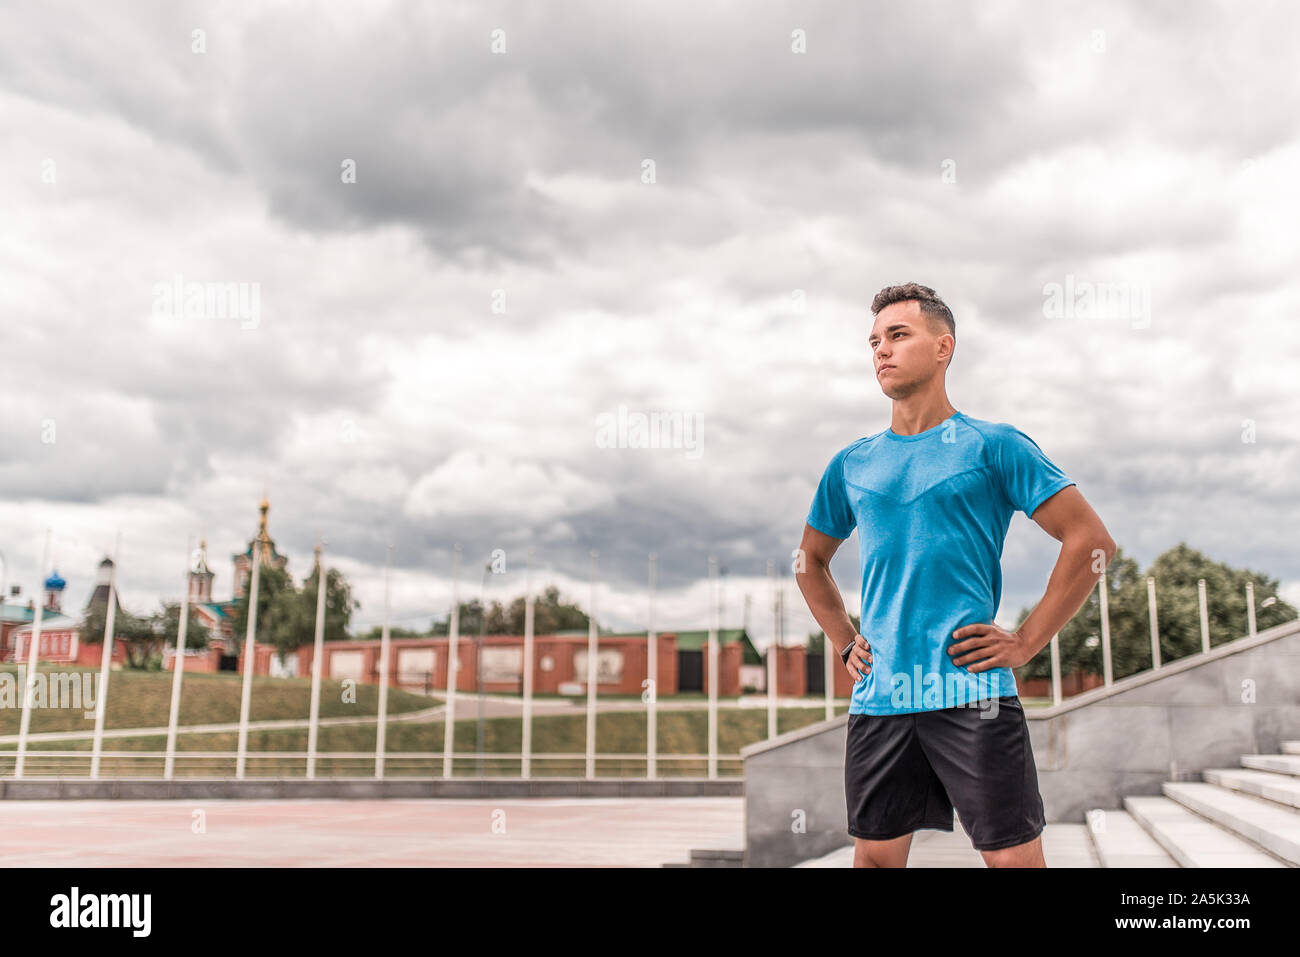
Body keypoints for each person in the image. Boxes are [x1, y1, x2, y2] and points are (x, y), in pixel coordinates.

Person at [795, 282, 1116, 868]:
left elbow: (1090, 541)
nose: (881, 350)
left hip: (974, 696)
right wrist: (844, 640)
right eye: (874, 341)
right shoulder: (852, 463)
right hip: (881, 699)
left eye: (898, 335)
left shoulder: (994, 446)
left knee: (1014, 863)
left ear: (943, 348)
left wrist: (1026, 641)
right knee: (874, 861)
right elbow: (809, 562)